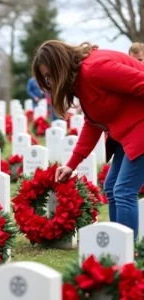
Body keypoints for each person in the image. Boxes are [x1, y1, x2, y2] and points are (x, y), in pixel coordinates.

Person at [32, 40, 144, 241]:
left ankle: (129, 257)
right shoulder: (81, 80)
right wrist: (71, 165)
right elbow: (92, 122)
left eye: (49, 76)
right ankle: (118, 249)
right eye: (46, 78)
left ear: (60, 66)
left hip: (140, 128)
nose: (50, 83)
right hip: (129, 134)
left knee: (124, 190)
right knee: (111, 186)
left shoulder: (95, 69)